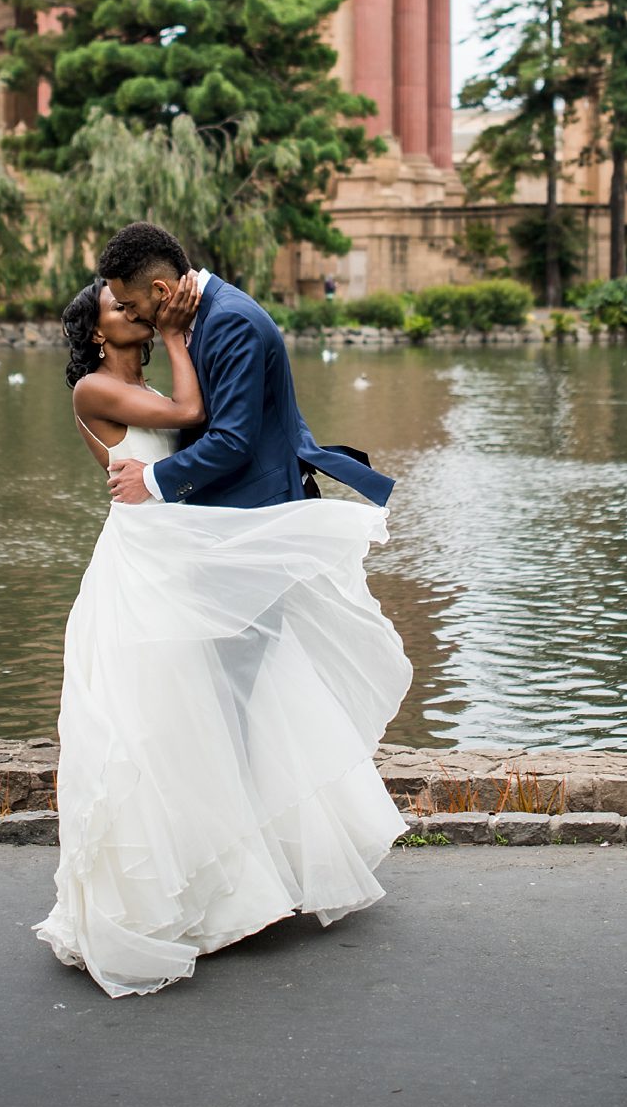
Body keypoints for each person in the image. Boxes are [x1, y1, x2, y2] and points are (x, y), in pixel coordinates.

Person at [33, 222, 412, 998]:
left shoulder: (228, 321)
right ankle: (204, 878)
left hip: (218, 539)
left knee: (222, 712)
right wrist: (160, 481)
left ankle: (233, 872)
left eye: (135, 304)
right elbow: (200, 426)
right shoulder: (118, 375)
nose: (134, 315)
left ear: (164, 293)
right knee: (180, 717)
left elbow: (223, 431)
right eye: (120, 310)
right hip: (171, 553)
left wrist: (160, 482)